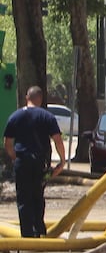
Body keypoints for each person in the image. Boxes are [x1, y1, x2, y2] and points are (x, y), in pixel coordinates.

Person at [3, 86, 69, 239]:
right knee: (38, 196)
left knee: (23, 198)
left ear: (27, 97)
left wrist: (15, 158)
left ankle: (27, 235)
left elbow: (7, 143)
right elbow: (58, 140)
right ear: (40, 99)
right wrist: (62, 161)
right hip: (40, 163)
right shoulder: (47, 117)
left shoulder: (15, 116)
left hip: (22, 161)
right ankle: (39, 230)